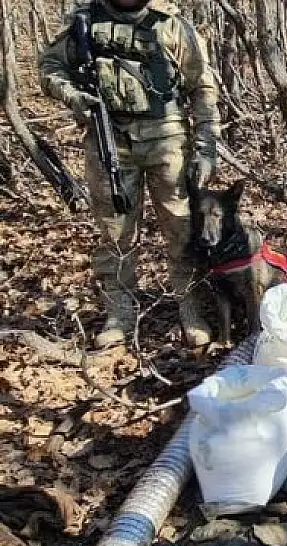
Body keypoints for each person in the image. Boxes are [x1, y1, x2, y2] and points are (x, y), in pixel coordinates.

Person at [40, 0, 220, 348]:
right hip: (109, 137)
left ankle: (190, 306)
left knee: (181, 225)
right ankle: (119, 313)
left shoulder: (171, 25)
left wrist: (207, 147)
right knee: (115, 230)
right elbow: (49, 66)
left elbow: (202, 86)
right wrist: (75, 97)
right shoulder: (84, 21)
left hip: (167, 137)